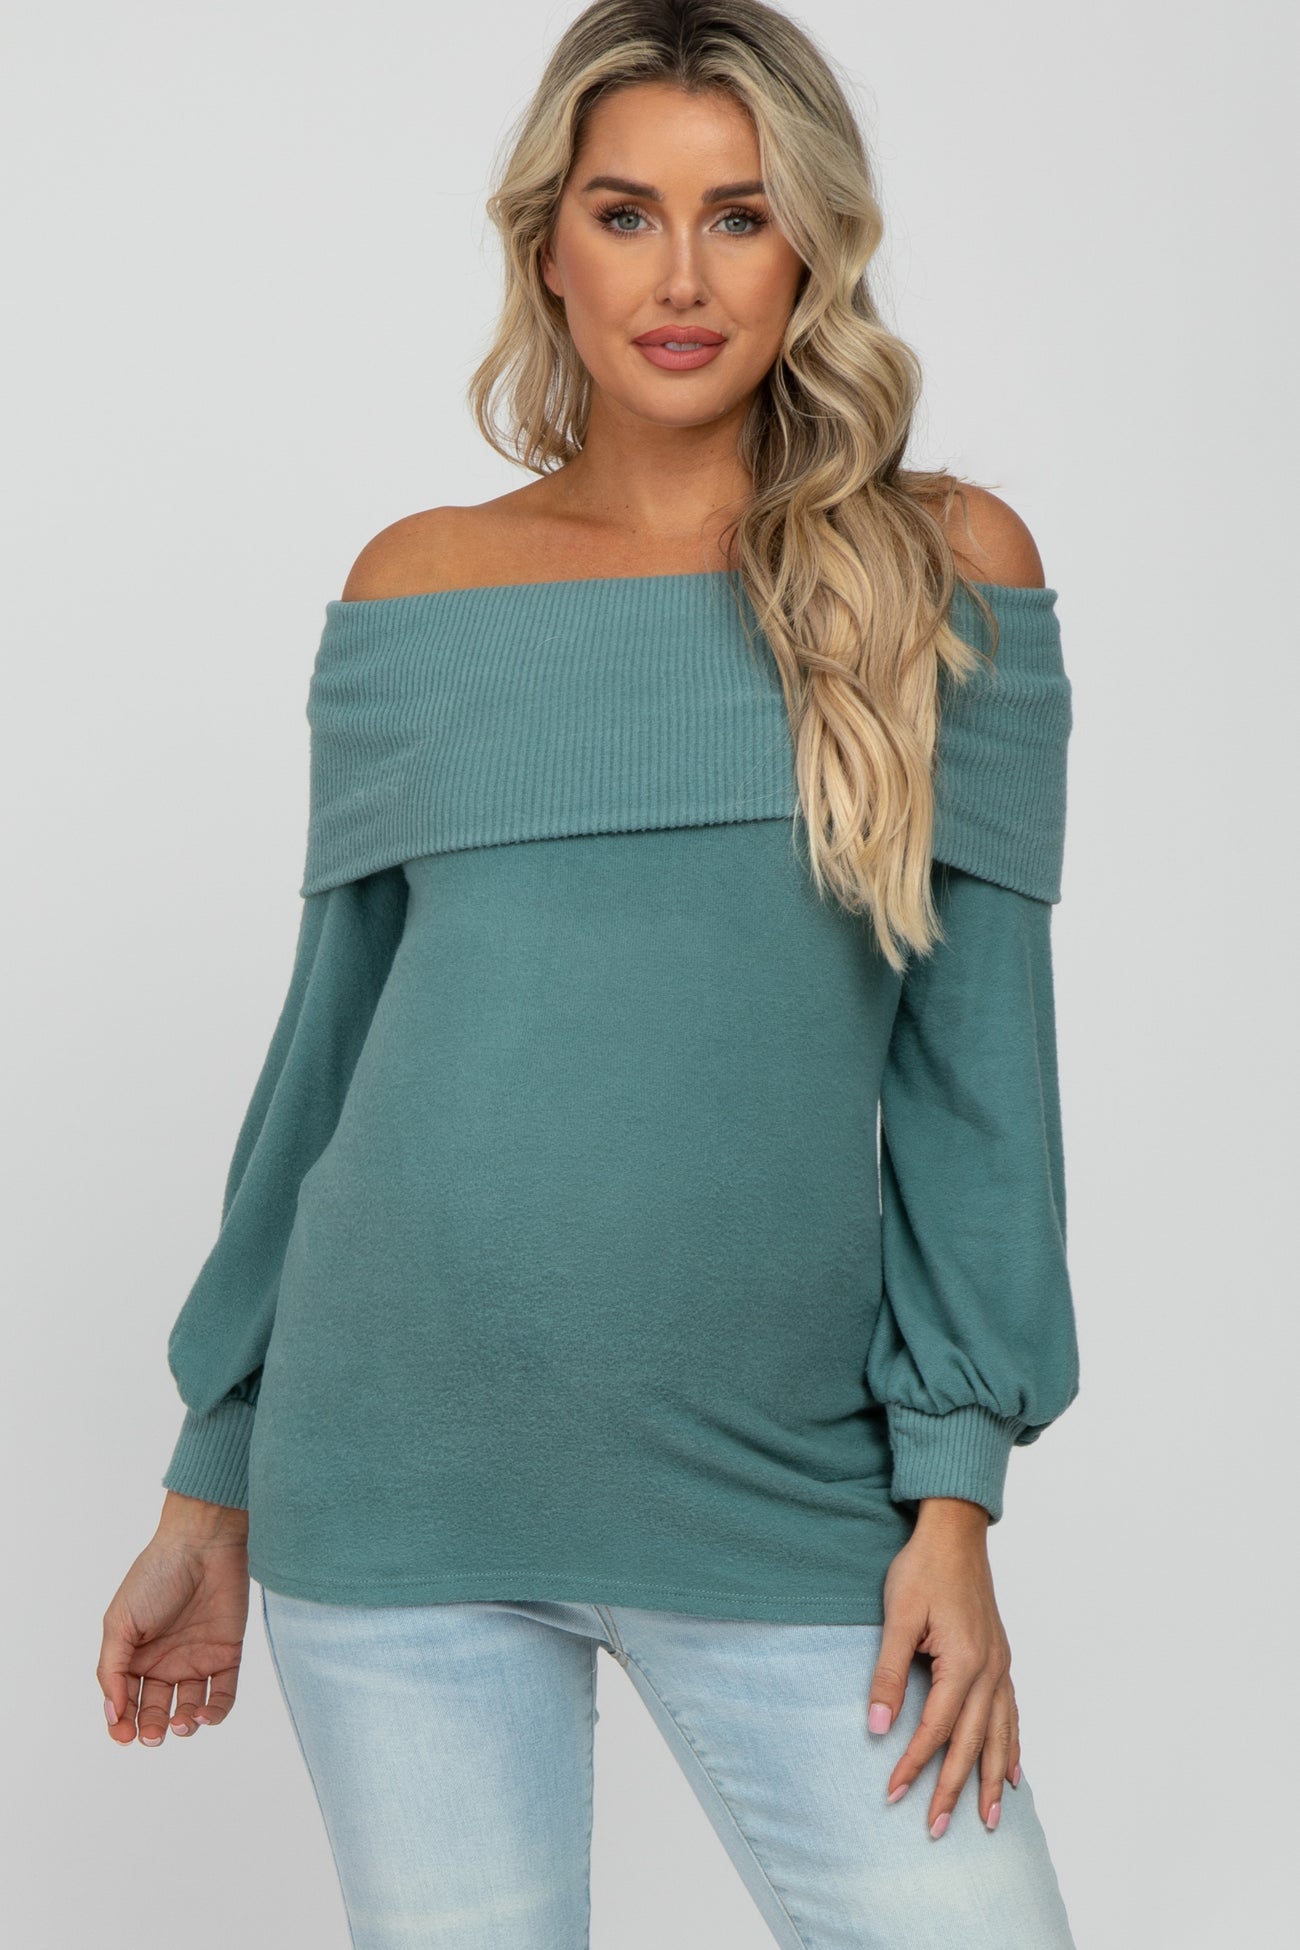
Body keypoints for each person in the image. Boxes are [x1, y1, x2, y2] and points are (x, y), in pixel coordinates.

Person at [96, 3, 1082, 1944]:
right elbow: (327, 1058)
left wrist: (952, 1502)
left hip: (783, 1485)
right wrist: (211, 1476)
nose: (682, 277)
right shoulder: (416, 587)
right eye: (627, 213)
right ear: (548, 244)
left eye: (740, 214)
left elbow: (982, 1083)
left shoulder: (942, 569)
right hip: (396, 1486)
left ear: (813, 246)